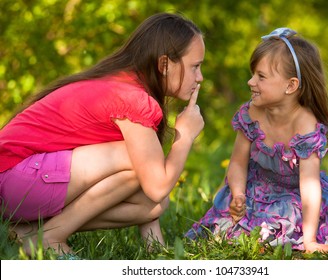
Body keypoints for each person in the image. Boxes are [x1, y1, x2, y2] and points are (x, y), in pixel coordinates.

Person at [0, 12, 205, 257]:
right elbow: (157, 184)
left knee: (153, 206)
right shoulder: (133, 99)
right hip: (13, 178)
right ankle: (50, 237)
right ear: (164, 65)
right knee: (141, 166)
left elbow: (153, 195)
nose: (200, 77)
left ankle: (26, 232)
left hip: (18, 185)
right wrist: (185, 135)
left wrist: (158, 251)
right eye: (195, 67)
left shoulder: (123, 84)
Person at [186, 28, 328, 253]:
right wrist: (239, 193)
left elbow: (309, 185)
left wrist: (309, 241)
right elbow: (238, 162)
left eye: (261, 76)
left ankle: (299, 236)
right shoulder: (252, 113)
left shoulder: (305, 124)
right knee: (227, 227)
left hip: (294, 195)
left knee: (286, 226)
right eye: (253, 74)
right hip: (255, 187)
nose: (250, 82)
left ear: (290, 86)